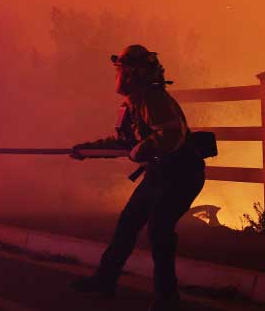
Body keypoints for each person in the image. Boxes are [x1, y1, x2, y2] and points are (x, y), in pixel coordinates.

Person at [71, 44, 206, 311]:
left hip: (182, 174)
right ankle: (105, 281)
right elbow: (123, 143)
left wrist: (140, 149)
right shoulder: (134, 102)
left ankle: (168, 298)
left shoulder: (152, 99)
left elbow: (170, 134)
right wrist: (86, 150)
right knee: (128, 223)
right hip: (161, 172)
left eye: (120, 70)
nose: (117, 76)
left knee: (159, 230)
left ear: (132, 73)